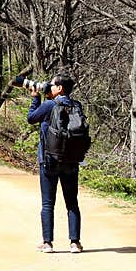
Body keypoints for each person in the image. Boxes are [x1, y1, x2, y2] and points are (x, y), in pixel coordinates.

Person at [27, 73, 83, 254]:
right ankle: (75, 243)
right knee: (72, 203)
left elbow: (31, 118)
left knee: (47, 204)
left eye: (52, 85)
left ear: (59, 88)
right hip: (71, 162)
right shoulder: (77, 106)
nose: (49, 87)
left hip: (49, 161)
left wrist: (35, 99)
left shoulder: (49, 105)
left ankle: (48, 243)